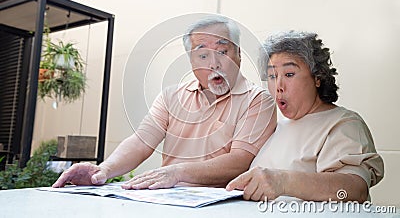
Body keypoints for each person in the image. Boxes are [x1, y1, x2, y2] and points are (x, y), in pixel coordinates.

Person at [53, 14, 277, 189]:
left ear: (238, 54)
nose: (214, 63)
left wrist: (177, 172)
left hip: (219, 205)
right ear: (190, 61)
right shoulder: (171, 96)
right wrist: (102, 170)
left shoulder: (258, 100)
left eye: (222, 51)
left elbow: (240, 160)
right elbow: (141, 142)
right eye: (202, 55)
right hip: (167, 199)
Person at [226, 30, 384, 202]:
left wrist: (283, 181)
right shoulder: (277, 128)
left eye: (289, 74)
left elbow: (353, 191)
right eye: (272, 76)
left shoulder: (344, 124)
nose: (278, 86)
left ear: (317, 77)